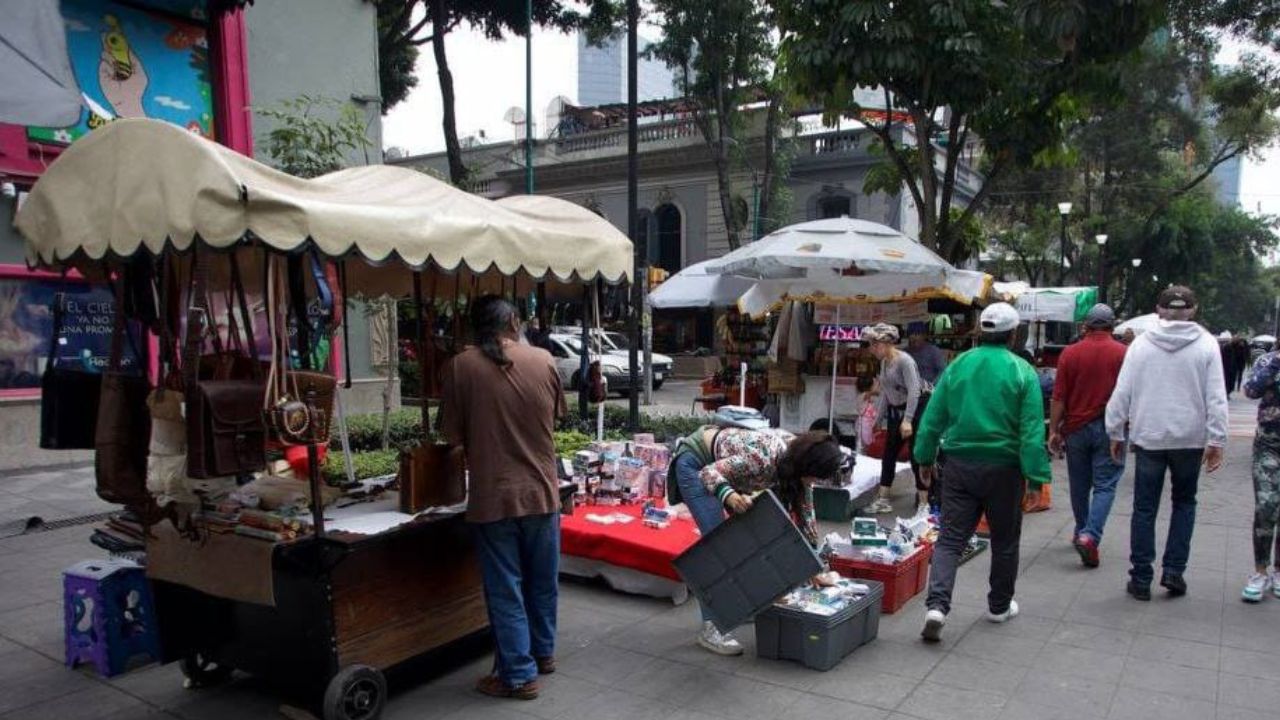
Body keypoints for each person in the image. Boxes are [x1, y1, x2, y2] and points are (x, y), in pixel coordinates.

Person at [440, 296, 567, 701]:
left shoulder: (461, 366)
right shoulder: (544, 360)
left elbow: (451, 437)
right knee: (543, 582)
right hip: (542, 493)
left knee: (506, 589)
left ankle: (517, 674)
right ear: (513, 321)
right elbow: (555, 417)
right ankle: (542, 654)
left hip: (493, 499)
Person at [914, 303, 1050, 642]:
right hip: (1005, 470)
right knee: (1005, 541)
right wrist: (1036, 477)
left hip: (959, 465)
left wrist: (924, 458)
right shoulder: (1022, 371)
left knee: (949, 540)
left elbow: (933, 417)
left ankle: (937, 606)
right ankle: (998, 606)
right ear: (1014, 333)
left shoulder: (959, 364)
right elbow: (1032, 430)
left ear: (980, 331)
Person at [669, 427, 846, 655]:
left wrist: (814, 566)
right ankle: (711, 629)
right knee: (718, 547)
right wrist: (729, 496)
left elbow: (806, 516)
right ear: (808, 467)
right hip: (697, 463)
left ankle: (744, 607)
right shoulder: (762, 459)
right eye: (816, 476)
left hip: (729, 471)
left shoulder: (796, 459)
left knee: (750, 540)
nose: (815, 482)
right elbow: (708, 474)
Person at [1105, 286, 1227, 601]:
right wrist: (1216, 438)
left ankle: (1141, 577)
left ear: (1159, 310)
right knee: (1184, 503)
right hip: (1190, 438)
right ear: (1194, 310)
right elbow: (1216, 396)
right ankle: (1173, 571)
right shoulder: (1207, 345)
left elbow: (1122, 391)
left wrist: (1115, 430)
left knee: (1144, 507)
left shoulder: (1141, 345)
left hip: (1149, 436)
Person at [1048, 304, 1128, 568]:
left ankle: (1082, 528)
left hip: (1075, 429)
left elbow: (1059, 396)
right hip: (1110, 428)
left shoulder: (1070, 353)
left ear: (1086, 326)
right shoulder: (1123, 353)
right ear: (1111, 325)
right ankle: (1090, 535)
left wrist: (1053, 430)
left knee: (1079, 485)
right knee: (1105, 484)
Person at [864, 323, 925, 513]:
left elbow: (914, 391)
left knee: (917, 456)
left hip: (915, 410)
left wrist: (908, 420)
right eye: (871, 345)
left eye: (876, 344)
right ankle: (883, 499)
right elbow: (885, 393)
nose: (872, 349)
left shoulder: (904, 361)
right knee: (889, 455)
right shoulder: (883, 363)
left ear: (888, 343)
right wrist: (878, 420)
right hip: (895, 412)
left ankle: (924, 502)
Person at [1241, 342, 1280, 601]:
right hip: (1269, 445)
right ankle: (1260, 571)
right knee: (1267, 506)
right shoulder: (1268, 361)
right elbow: (1251, 390)